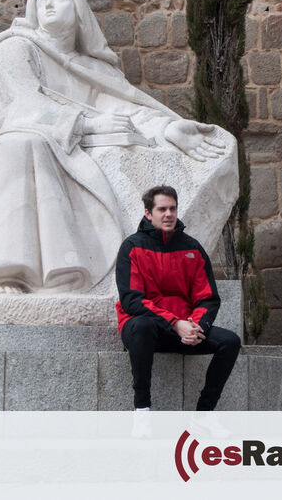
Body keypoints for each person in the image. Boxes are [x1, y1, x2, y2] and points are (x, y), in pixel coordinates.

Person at [0, 0, 233, 299]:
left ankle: (61, 272)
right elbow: (23, 104)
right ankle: (5, 271)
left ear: (79, 12)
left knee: (37, 145)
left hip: (61, 143)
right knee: (25, 143)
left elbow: (123, 108)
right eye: (42, 1)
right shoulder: (16, 48)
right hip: (0, 136)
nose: (49, 5)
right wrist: (90, 127)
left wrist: (167, 129)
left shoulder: (93, 69)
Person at [116, 185, 241, 435]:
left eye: (172, 208)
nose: (168, 214)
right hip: (145, 331)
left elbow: (208, 298)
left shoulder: (192, 249)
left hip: (183, 330)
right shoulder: (132, 247)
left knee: (230, 341)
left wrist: (196, 326)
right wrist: (175, 323)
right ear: (148, 214)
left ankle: (203, 416)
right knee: (142, 325)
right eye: (162, 209)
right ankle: (141, 410)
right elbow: (132, 300)